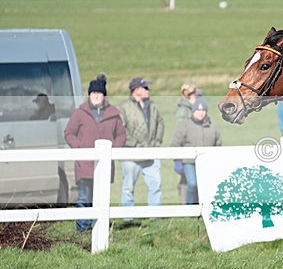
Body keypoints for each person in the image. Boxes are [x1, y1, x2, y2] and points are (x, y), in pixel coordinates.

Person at [63, 74, 126, 231]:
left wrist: (113, 150)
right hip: (85, 165)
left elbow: (121, 135)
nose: (96, 96)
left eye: (99, 93)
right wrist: (79, 148)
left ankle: (98, 228)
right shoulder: (80, 113)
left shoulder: (113, 114)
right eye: (93, 93)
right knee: (84, 197)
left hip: (104, 166)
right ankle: (83, 230)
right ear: (89, 95)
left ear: (104, 95)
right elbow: (69, 133)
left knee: (101, 199)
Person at [118, 76, 165, 213]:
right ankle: (127, 216)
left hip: (151, 153)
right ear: (136, 90)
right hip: (131, 155)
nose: (147, 90)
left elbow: (160, 123)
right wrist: (134, 143)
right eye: (145, 88)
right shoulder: (123, 107)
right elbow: (120, 129)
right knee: (128, 188)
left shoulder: (152, 106)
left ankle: (154, 216)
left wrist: (156, 142)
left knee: (156, 185)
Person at [171, 97, 221, 204]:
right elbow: (175, 143)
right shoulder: (184, 125)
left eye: (203, 110)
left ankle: (204, 207)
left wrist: (216, 159)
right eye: (198, 110)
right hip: (188, 161)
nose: (201, 113)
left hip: (206, 162)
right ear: (193, 111)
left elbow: (218, 144)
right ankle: (190, 208)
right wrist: (177, 161)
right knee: (192, 184)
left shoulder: (212, 126)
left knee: (205, 185)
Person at [174, 83, 200, 203]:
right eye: (192, 93)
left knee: (189, 181)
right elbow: (180, 132)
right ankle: (187, 206)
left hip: (196, 146)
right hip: (187, 149)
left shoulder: (197, 107)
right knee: (188, 182)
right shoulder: (183, 111)